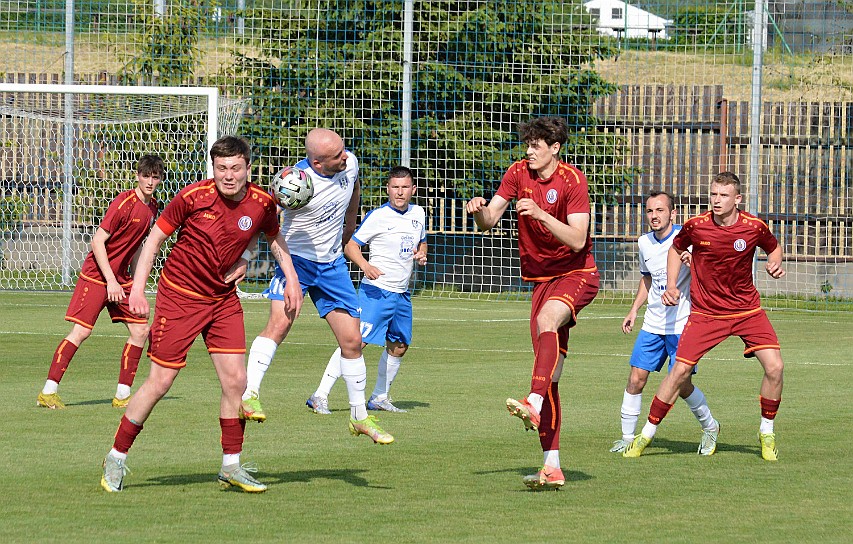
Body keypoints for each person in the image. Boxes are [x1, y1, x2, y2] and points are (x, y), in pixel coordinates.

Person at [99, 136, 303, 493]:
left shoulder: (262, 202)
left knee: (236, 382)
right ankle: (116, 456)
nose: (228, 175)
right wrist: (137, 289)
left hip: (222, 300)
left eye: (236, 168)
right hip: (179, 298)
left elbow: (272, 238)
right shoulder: (192, 197)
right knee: (160, 382)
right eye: (222, 168)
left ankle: (231, 466)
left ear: (248, 169)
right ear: (214, 168)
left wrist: (292, 280)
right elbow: (154, 241)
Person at [465, 116, 600, 490]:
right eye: (528, 145)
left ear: (555, 148)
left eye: (537, 146)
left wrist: (541, 214)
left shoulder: (573, 181)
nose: (529, 151)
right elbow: (490, 219)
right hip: (540, 281)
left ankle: (534, 402)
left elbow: (577, 240)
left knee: (547, 320)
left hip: (578, 273)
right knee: (551, 374)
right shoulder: (517, 173)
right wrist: (479, 210)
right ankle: (552, 466)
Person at [241, 128, 394, 444]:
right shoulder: (294, 183)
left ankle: (359, 416)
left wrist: (350, 228)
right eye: (336, 155)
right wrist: (244, 256)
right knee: (279, 326)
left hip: (333, 265)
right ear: (316, 163)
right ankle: (249, 394)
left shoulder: (348, 163)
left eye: (343, 150)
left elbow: (354, 188)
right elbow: (264, 219)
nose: (345, 156)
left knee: (352, 340)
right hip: (296, 261)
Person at [623, 172, 786, 461]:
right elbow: (676, 249)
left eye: (723, 195)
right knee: (679, 374)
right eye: (713, 194)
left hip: (747, 311)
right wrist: (672, 285)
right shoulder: (696, 226)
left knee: (775, 367)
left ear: (737, 199)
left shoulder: (753, 227)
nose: (716, 200)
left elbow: (773, 247)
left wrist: (775, 263)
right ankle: (645, 435)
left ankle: (767, 431)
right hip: (706, 314)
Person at [37, 154, 164, 410]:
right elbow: (97, 241)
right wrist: (110, 282)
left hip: (121, 279)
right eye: (146, 176)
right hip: (97, 276)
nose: (150, 181)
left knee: (140, 331)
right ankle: (48, 392)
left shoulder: (154, 208)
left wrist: (138, 284)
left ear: (160, 179)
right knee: (81, 332)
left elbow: (139, 247)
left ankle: (122, 396)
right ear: (137, 176)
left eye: (155, 176)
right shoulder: (123, 203)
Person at [306, 166, 427, 415]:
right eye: (395, 187)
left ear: (413, 190)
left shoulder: (418, 213)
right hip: (377, 291)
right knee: (355, 343)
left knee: (399, 344)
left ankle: (379, 397)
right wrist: (365, 266)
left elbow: (421, 240)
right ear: (388, 189)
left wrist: (422, 252)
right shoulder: (378, 216)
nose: (400, 192)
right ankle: (319, 395)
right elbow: (350, 246)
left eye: (405, 187)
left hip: (402, 293)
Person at [610, 190, 719, 455]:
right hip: (653, 323)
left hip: (683, 325)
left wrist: (693, 264)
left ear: (673, 213)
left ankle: (710, 427)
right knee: (636, 379)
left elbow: (711, 278)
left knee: (681, 386)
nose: (654, 216)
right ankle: (627, 438)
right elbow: (647, 279)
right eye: (650, 211)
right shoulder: (644, 242)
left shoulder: (689, 240)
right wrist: (634, 309)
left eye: (660, 210)